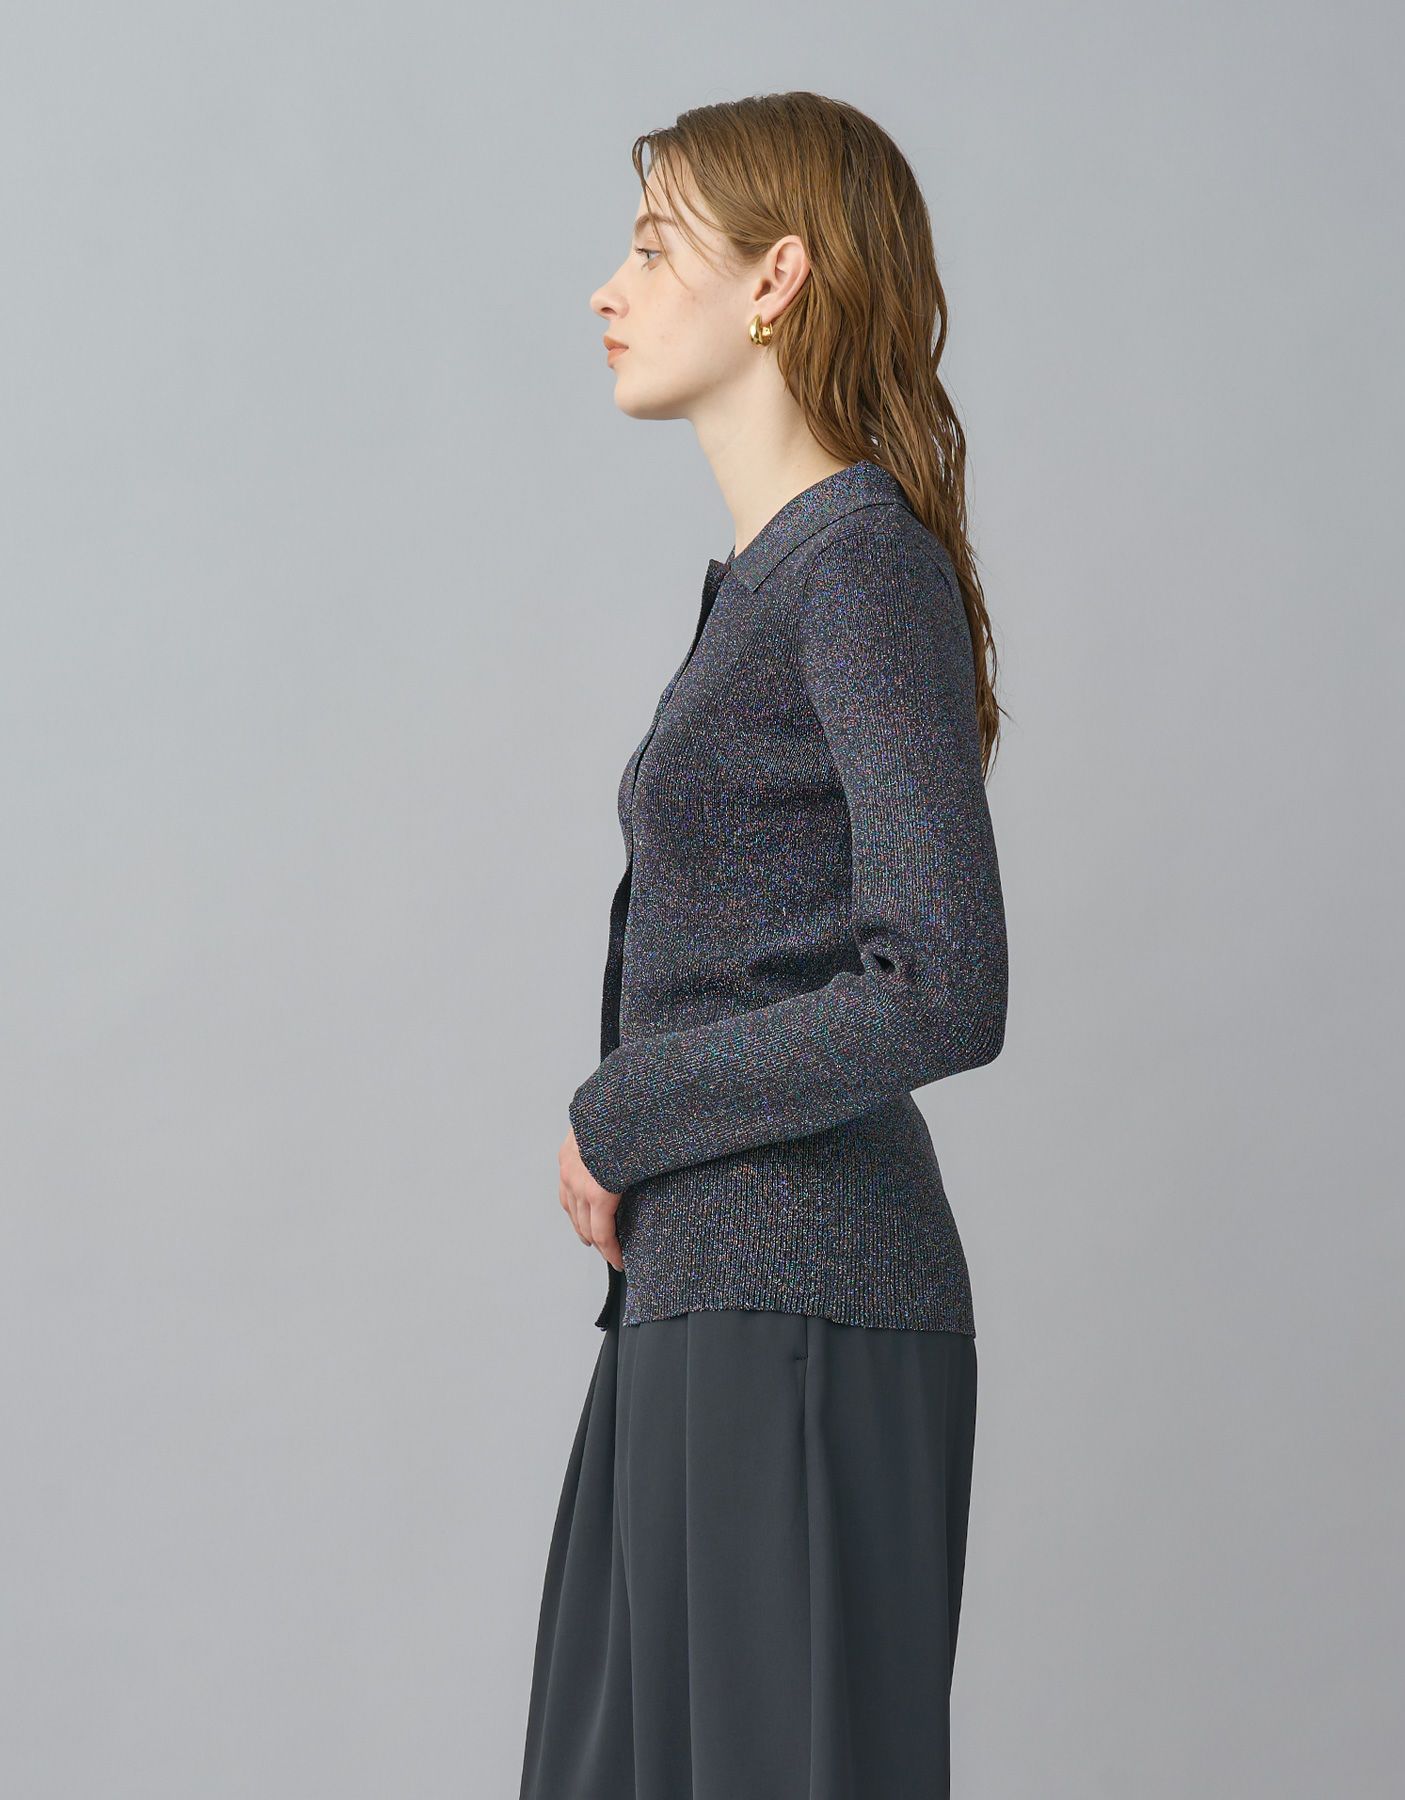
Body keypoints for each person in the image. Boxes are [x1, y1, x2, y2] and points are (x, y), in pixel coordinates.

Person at [518, 90, 1009, 1800]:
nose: (610, 289)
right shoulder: (778, 579)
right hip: (702, 1299)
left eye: (655, 249)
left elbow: (942, 979)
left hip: (804, 1304)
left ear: (777, 278)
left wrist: (623, 1112)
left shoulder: (858, 565)